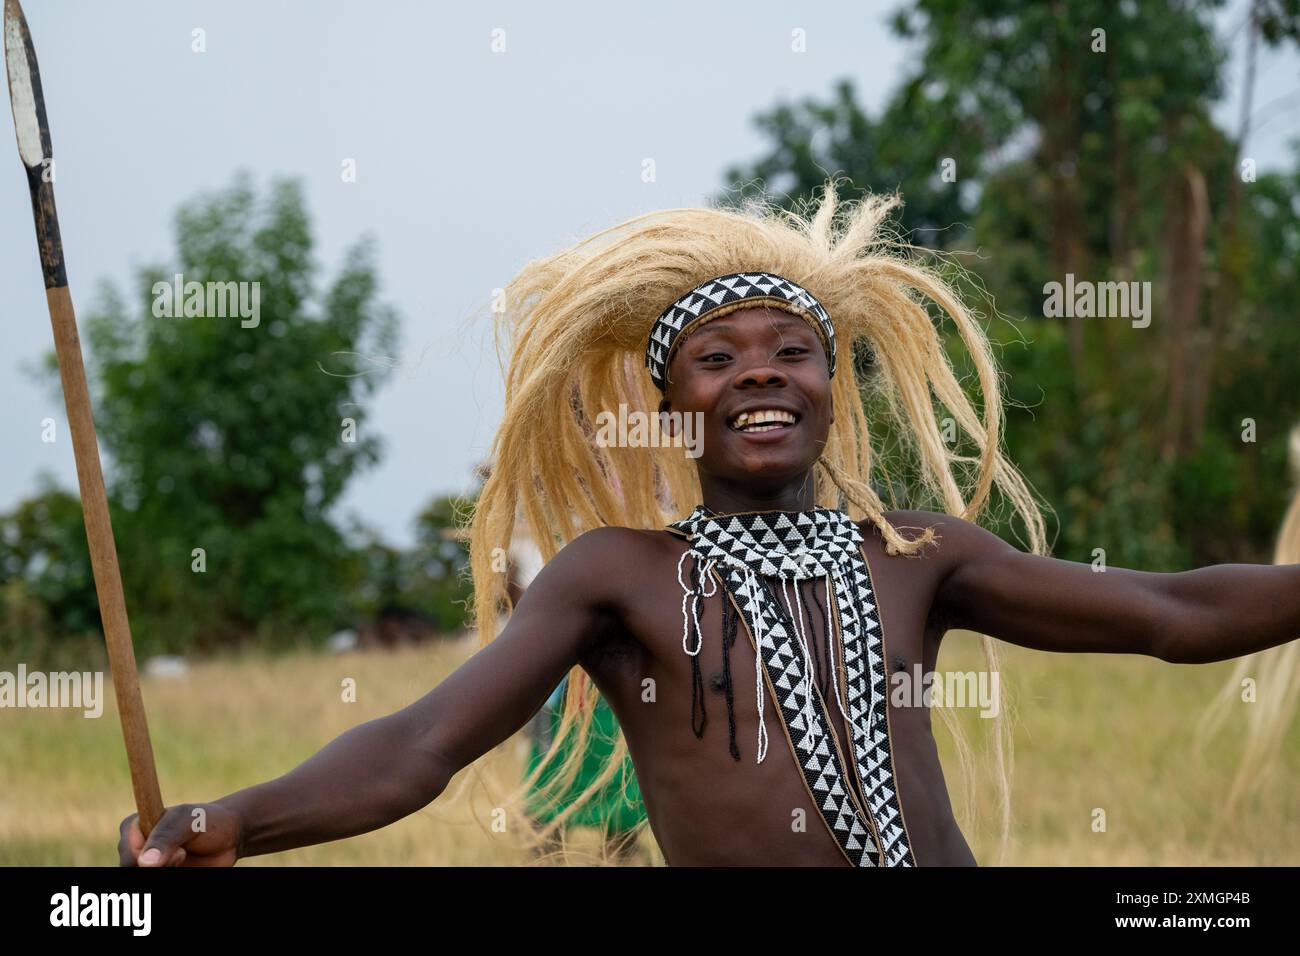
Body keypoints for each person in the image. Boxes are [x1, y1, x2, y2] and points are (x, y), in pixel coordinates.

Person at [119, 181, 1300, 867]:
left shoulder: (917, 555)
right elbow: (421, 742)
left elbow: (1168, 610)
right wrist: (235, 819)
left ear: (833, 388)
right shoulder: (616, 577)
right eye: (715, 358)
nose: (759, 375)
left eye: (794, 352)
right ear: (671, 402)